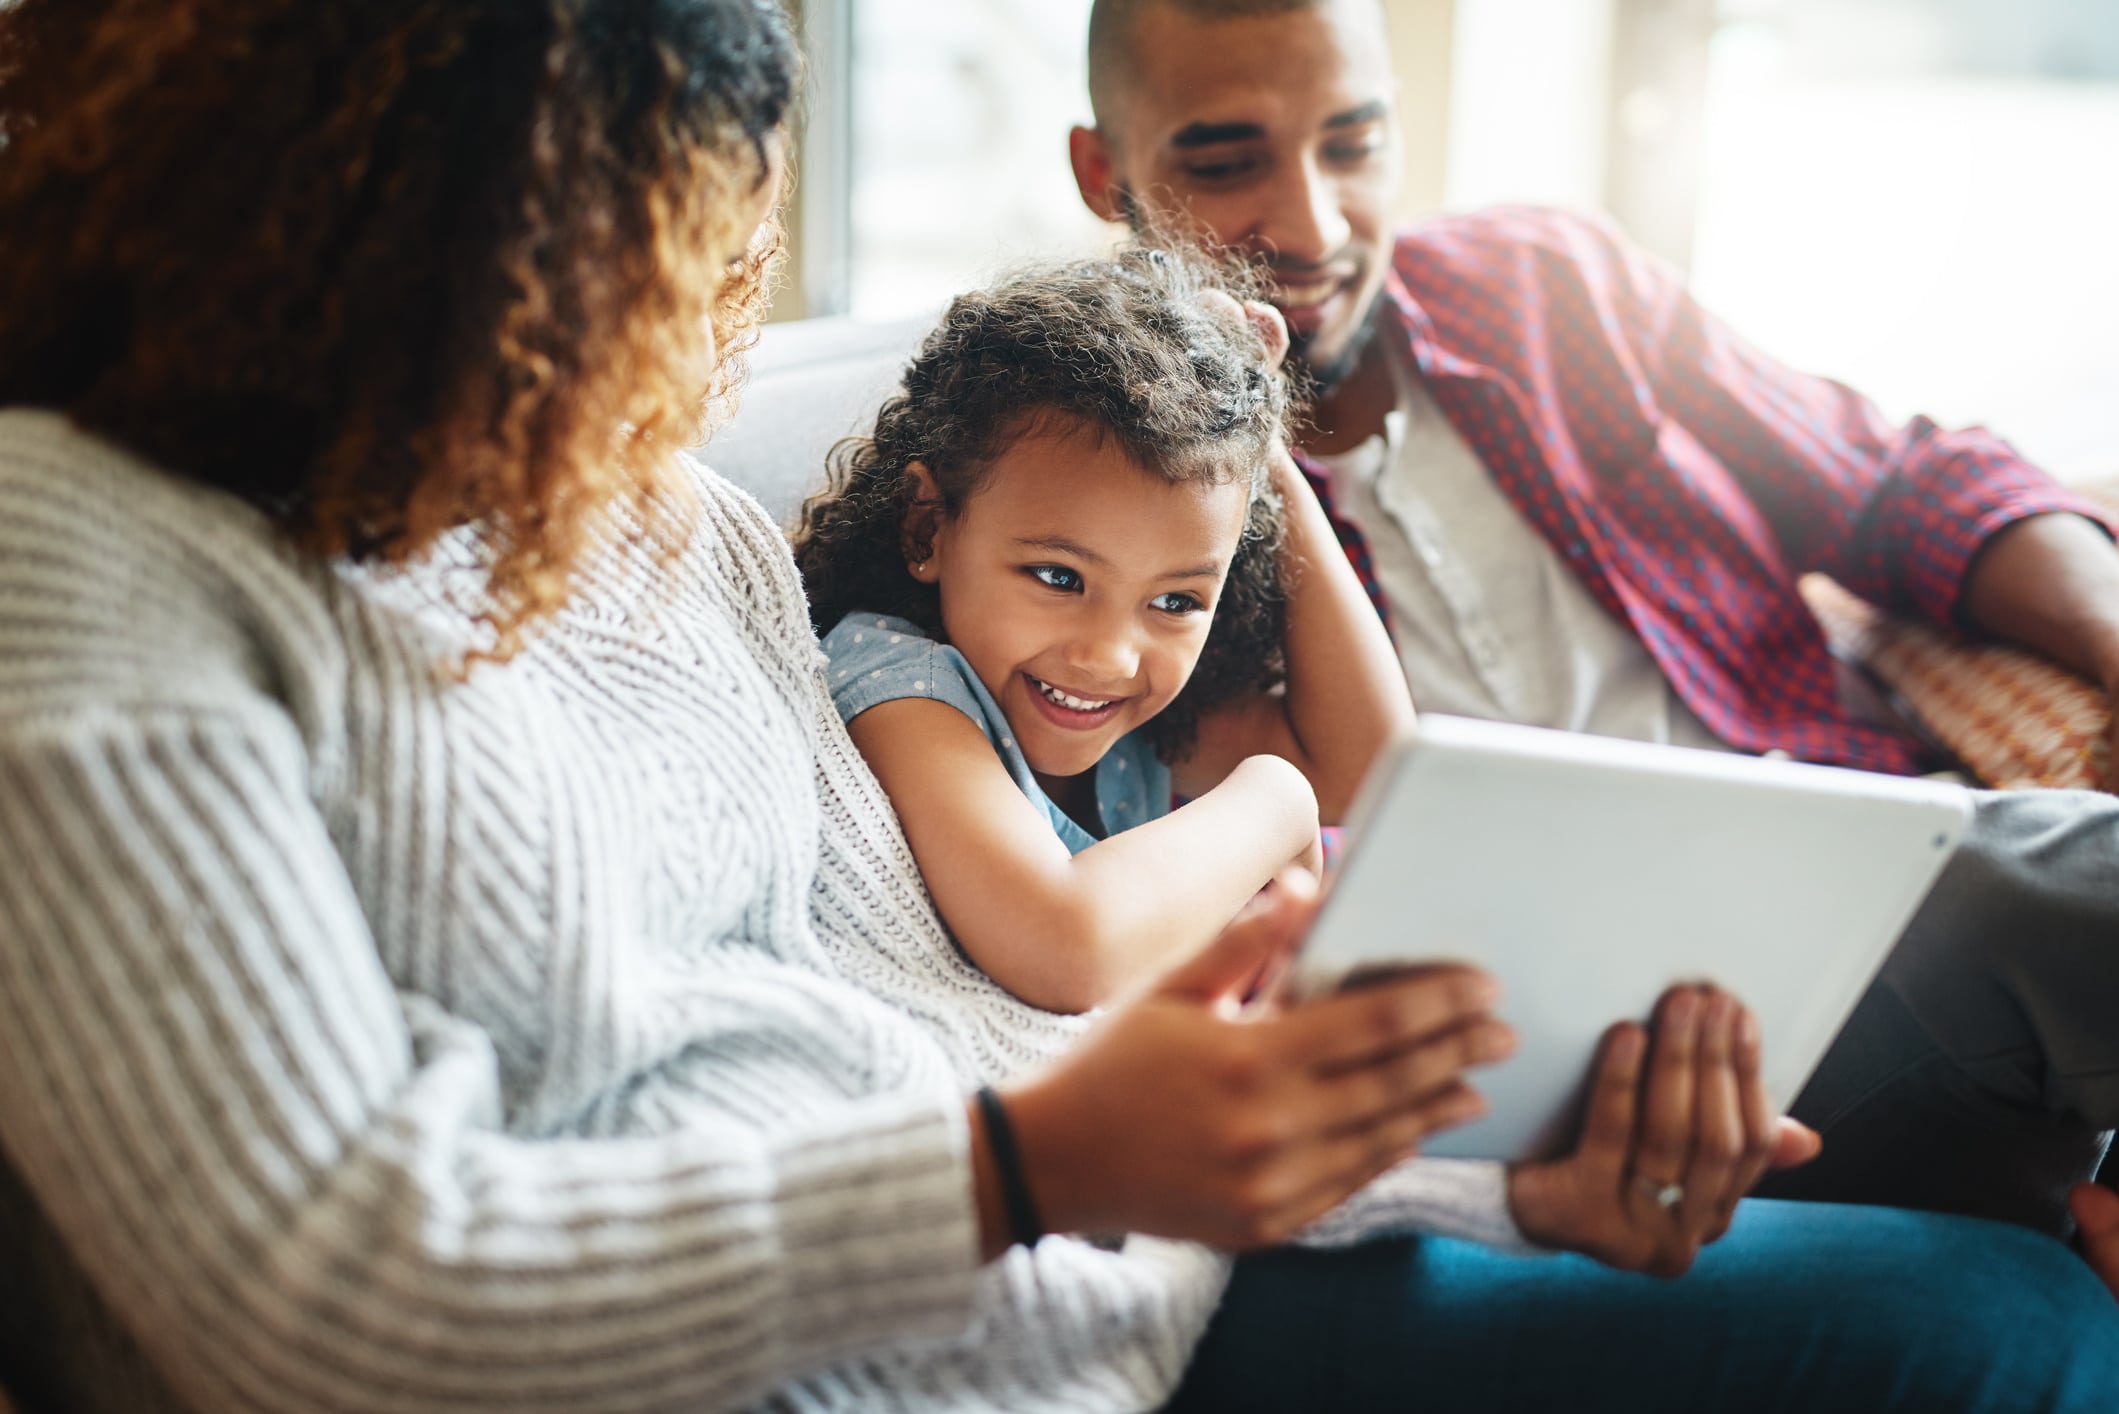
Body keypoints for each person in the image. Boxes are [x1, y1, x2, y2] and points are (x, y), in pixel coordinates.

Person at [3, 3, 2118, 1413]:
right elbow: (313, 1284)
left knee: (2013, 1292)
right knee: (2005, 1328)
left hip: (1091, 1257)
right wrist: (1025, 1170)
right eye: (623, 283)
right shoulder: (83, 576)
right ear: (391, 238)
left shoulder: (652, 526)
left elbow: (952, 1015)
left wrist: (1447, 1160)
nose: (653, 368)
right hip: (937, 1318)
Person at [1070, 0, 2119, 1252]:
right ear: (1104, 173)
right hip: (1543, 1080)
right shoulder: (1107, 484)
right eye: (1225, 161)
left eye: (1353, 142)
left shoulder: (1544, 287)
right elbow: (1263, 876)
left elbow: (1900, 487)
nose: (1313, 223)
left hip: (1859, 919)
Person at [791, 252, 1410, 1012]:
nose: (1108, 656)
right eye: (1058, 578)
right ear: (928, 527)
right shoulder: (897, 680)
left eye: (1177, 600)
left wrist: (1260, 446)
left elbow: (1368, 770)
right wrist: (1277, 798)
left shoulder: (1131, 726)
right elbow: (1066, 947)